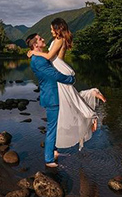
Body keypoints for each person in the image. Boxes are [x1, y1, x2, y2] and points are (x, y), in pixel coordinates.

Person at [28, 18, 106, 151]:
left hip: (59, 69)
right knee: (69, 98)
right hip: (57, 67)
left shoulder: (59, 40)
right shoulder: (58, 40)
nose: (51, 30)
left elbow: (48, 57)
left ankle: (91, 115)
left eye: (52, 28)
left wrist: (33, 52)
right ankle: (91, 93)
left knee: (70, 100)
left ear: (58, 28)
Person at [26, 33, 75, 168]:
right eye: (40, 38)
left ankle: (54, 152)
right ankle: (49, 159)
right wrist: (71, 79)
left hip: (52, 94)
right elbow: (54, 75)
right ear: (36, 45)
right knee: (52, 128)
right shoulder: (38, 60)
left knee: (55, 126)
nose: (43, 39)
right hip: (52, 96)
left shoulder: (37, 57)